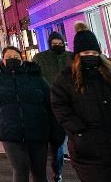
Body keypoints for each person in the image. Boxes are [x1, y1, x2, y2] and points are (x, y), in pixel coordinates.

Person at [50, 28, 111, 182]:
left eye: (94, 54)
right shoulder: (66, 78)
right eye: (85, 54)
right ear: (77, 55)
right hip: (88, 147)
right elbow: (59, 106)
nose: (90, 57)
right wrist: (78, 129)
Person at [0, 47, 61, 182]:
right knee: (20, 170)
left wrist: (57, 129)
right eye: (9, 57)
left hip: (37, 130)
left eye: (16, 57)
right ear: (2, 60)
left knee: (39, 171)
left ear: (22, 59)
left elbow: (50, 102)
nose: (13, 59)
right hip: (10, 132)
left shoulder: (34, 76)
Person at [35, 32, 73, 182]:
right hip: (50, 105)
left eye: (60, 43)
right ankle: (56, 170)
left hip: (70, 104)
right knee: (56, 141)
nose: (57, 45)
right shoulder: (41, 59)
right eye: (54, 43)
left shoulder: (71, 57)